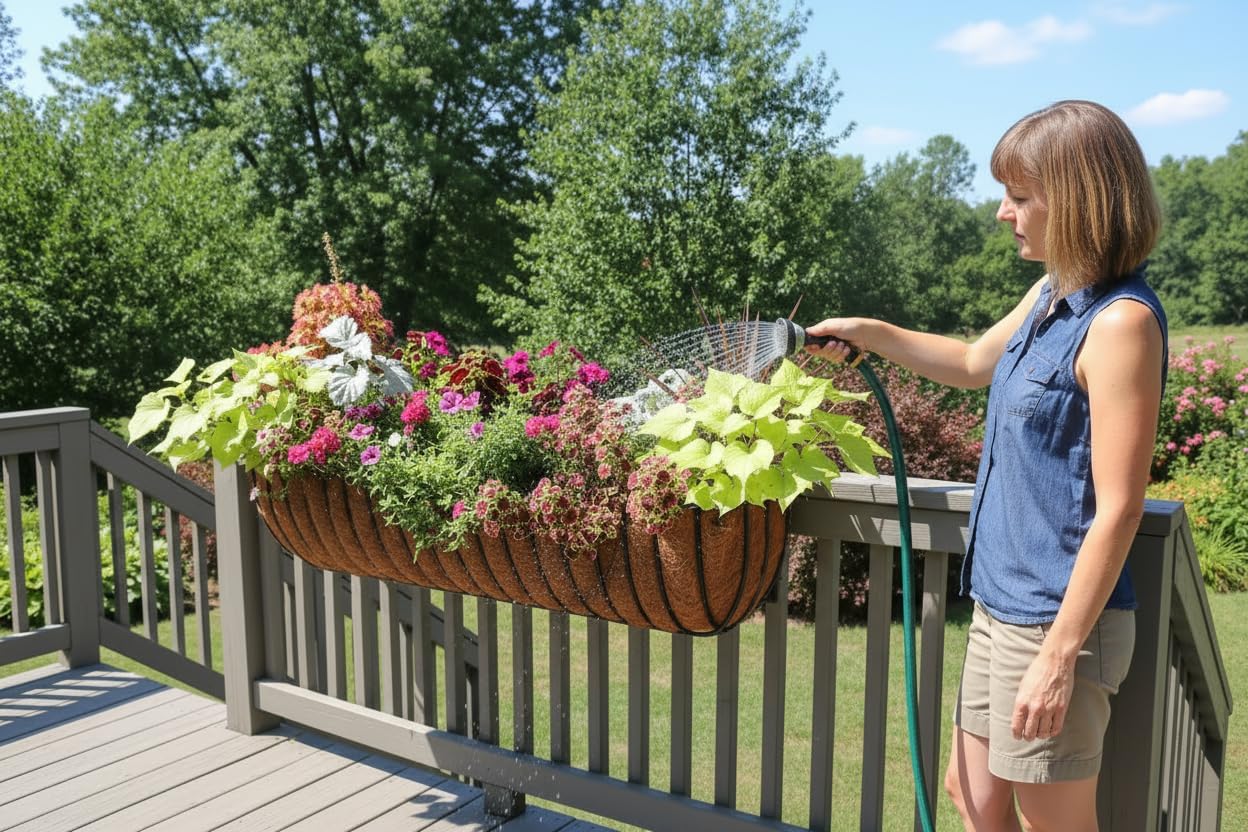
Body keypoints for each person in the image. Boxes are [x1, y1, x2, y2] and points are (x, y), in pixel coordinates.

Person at [805, 100, 1166, 832]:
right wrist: (866, 332)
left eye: (1021, 196)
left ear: (1079, 200)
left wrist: (1061, 657)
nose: (1004, 212)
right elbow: (972, 361)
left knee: (1050, 823)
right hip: (1001, 607)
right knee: (973, 804)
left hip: (1057, 623)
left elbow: (1121, 506)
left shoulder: (1120, 323)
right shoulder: (1050, 293)